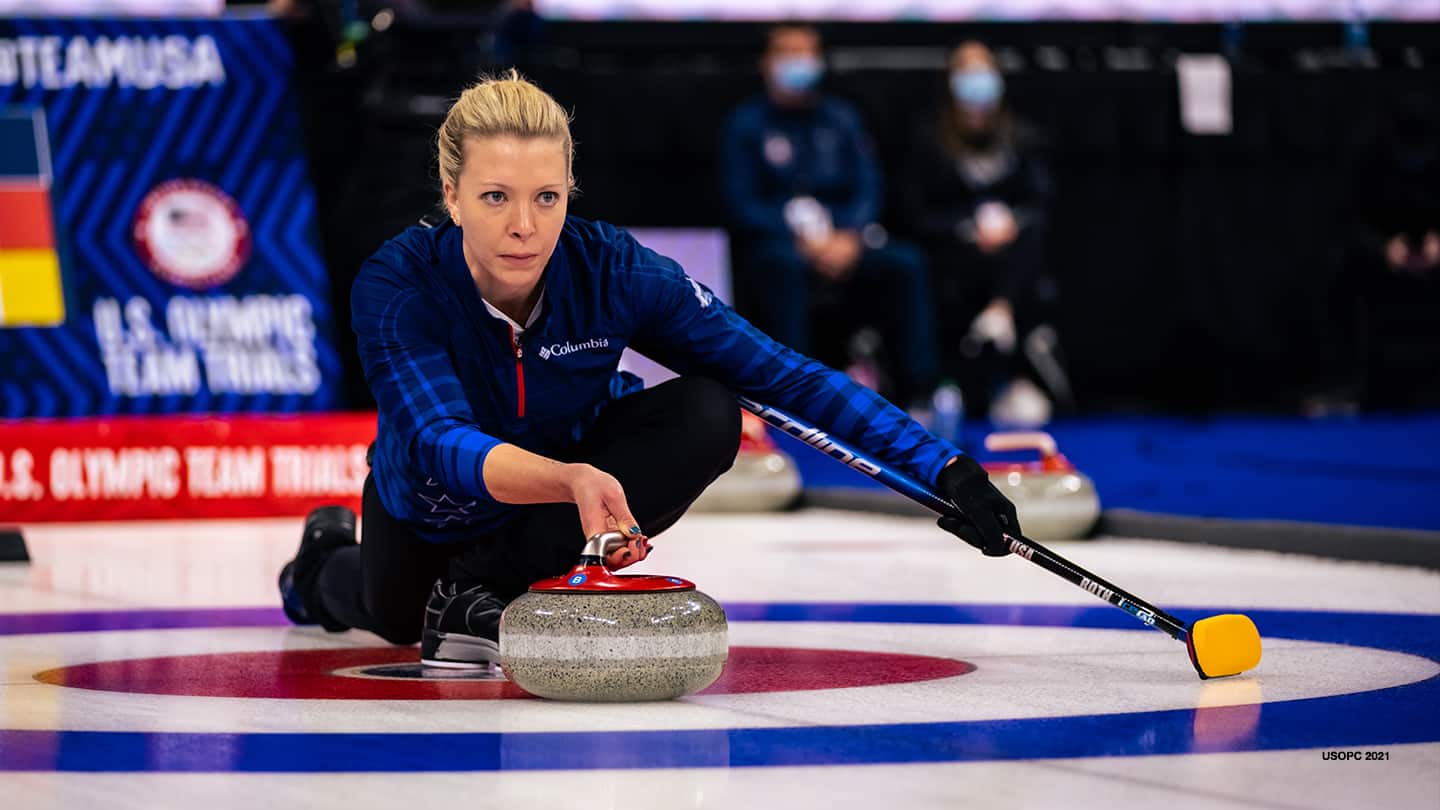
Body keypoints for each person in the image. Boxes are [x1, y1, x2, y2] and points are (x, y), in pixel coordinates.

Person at [277, 71, 1020, 667]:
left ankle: (482, 588)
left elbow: (782, 376)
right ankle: (321, 562)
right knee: (394, 618)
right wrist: (568, 480)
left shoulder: (615, 272)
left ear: (571, 191)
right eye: (495, 197)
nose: (524, 227)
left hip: (546, 507)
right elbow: (441, 438)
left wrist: (945, 470)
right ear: (452, 196)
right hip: (434, 505)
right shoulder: (397, 283)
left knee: (706, 410)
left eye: (546, 197)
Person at [718, 24, 939, 410]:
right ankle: (799, 397)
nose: (797, 64)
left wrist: (850, 235)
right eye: (787, 53)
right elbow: (740, 203)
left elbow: (869, 185)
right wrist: (800, 239)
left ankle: (919, 392)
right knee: (779, 268)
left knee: (907, 264)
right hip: (782, 245)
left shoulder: (841, 119)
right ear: (767, 62)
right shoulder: (746, 125)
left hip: (846, 240)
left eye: (806, 54)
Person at [901, 41, 1071, 426]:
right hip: (953, 250)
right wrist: (967, 227)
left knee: (1030, 236)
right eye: (967, 73)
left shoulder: (1021, 136)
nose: (976, 84)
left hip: (1010, 251)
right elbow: (915, 212)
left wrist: (1009, 221)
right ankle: (945, 381)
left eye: (983, 72)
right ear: (951, 82)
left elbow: (1040, 200)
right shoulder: (930, 139)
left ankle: (1001, 316)